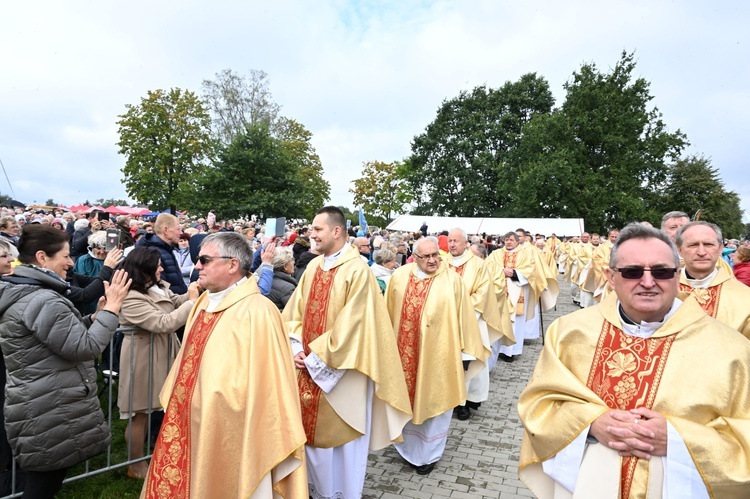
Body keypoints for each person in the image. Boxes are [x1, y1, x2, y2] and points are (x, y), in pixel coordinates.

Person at [517, 223, 750, 497]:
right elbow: (539, 403)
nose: (648, 282)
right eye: (632, 272)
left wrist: (679, 439)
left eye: (661, 272)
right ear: (611, 277)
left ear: (677, 276)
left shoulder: (732, 349)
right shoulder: (570, 332)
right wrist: (589, 423)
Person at [143, 232, 307, 497]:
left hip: (233, 429)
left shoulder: (259, 312)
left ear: (232, 265)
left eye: (205, 260)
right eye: (198, 260)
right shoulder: (204, 302)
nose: (197, 266)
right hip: (188, 418)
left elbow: (270, 389)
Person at [283, 206, 411, 499]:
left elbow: (356, 327)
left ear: (336, 231)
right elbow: (294, 311)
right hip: (307, 369)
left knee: (342, 445)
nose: (311, 235)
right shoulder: (314, 267)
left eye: (317, 230)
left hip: (343, 373)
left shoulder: (357, 271)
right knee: (309, 441)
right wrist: (296, 347)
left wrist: (316, 356)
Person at [0, 224, 131, 498]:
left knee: (43, 483)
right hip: (47, 404)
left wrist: (94, 318)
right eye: (65, 255)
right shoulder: (41, 298)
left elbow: (55, 336)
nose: (70, 262)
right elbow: (85, 347)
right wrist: (113, 309)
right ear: (42, 257)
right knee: (41, 487)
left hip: (41, 398)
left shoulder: (27, 292)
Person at [385, 235, 488, 474]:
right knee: (406, 401)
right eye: (426, 256)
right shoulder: (399, 278)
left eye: (436, 255)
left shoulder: (452, 281)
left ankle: (429, 455)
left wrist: (465, 354)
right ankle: (407, 448)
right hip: (403, 356)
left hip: (439, 357)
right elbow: (387, 315)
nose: (433, 261)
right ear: (414, 256)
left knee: (435, 402)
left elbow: (464, 319)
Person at [117, 247, 199, 480]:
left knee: (162, 406)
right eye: (158, 265)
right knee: (140, 413)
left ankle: (161, 452)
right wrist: (191, 303)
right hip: (142, 358)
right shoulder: (131, 297)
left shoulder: (159, 286)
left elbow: (175, 302)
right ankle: (135, 463)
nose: (162, 268)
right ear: (144, 269)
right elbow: (163, 322)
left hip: (164, 352)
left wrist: (195, 293)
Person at [446, 228, 512, 419]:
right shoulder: (442, 263)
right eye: (450, 241)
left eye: (456, 241)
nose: (452, 244)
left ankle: (465, 402)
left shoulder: (478, 265)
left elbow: (484, 292)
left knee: (468, 360)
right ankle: (448, 400)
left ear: (466, 243)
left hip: (471, 321)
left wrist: (461, 312)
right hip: (445, 322)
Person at [675, 221, 750, 338]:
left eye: (708, 244)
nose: (701, 252)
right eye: (693, 245)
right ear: (680, 250)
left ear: (720, 249)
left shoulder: (745, 297)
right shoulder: (660, 290)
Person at [136, 213, 187, 294]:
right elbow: (160, 288)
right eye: (178, 229)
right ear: (166, 230)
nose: (180, 233)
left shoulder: (165, 249)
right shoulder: (154, 252)